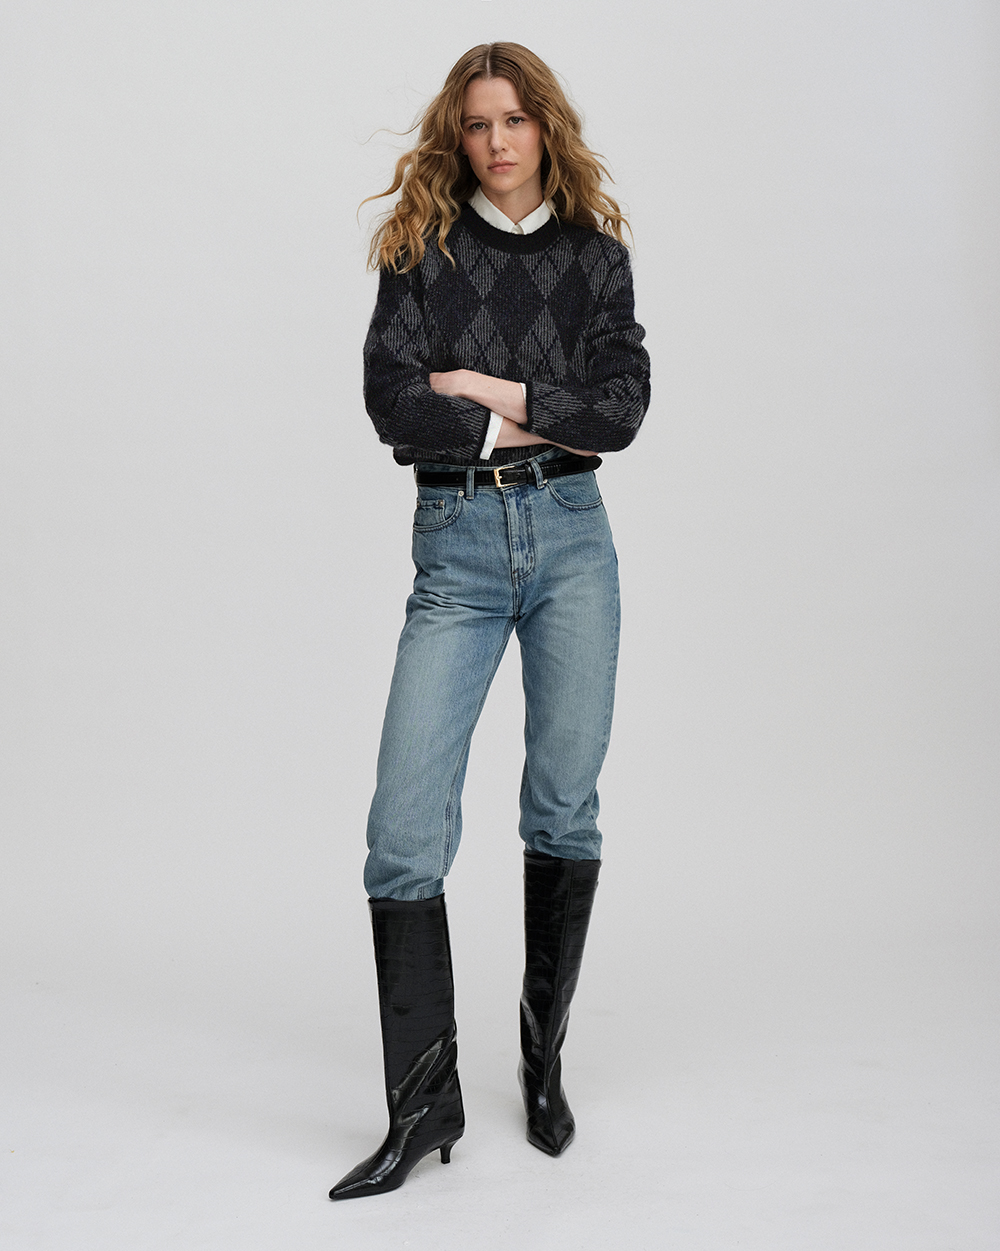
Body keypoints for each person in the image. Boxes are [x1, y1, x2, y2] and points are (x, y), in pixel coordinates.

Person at [330, 42, 650, 1201]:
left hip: (572, 544)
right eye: (477, 123)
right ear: (455, 136)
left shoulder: (595, 257)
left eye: (514, 119)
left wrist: (483, 387)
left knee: (562, 803)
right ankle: (423, 1108)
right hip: (458, 546)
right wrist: (519, 418)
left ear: (544, 126)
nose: (497, 141)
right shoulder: (420, 249)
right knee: (403, 829)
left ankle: (541, 1062)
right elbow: (391, 400)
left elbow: (621, 412)